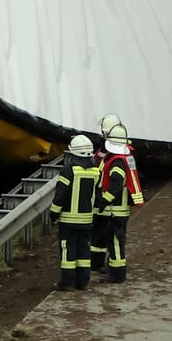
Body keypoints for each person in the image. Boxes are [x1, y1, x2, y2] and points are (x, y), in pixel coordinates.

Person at [49, 134, 101, 291]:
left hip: (68, 220)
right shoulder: (95, 170)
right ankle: (83, 282)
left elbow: (61, 195)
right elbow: (97, 195)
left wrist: (53, 214)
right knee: (84, 250)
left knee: (67, 250)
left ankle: (67, 282)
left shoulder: (68, 170)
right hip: (86, 220)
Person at [96, 121, 144, 282]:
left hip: (115, 210)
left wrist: (104, 200)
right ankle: (114, 269)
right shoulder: (124, 157)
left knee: (115, 242)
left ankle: (117, 275)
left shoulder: (116, 161)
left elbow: (116, 185)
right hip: (120, 210)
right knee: (115, 241)